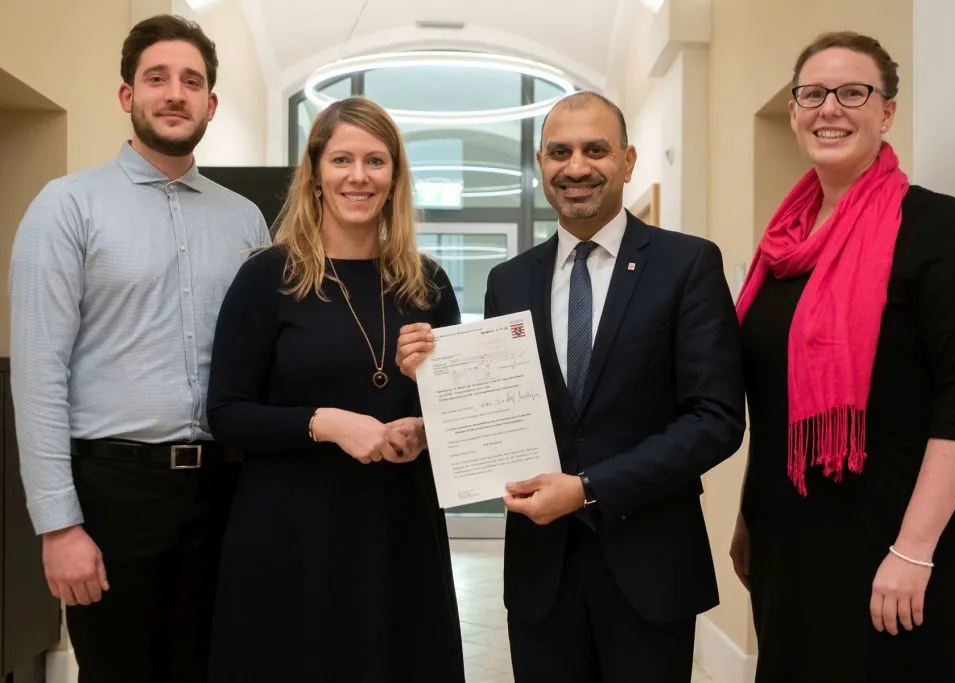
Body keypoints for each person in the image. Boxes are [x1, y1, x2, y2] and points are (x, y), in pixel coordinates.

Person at [396, 91, 746, 681]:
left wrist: (588, 488)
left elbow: (715, 419)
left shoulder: (686, 265)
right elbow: (505, 408)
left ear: (629, 161)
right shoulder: (509, 280)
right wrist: (433, 394)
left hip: (649, 566)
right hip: (541, 574)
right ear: (541, 164)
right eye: (560, 151)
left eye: (595, 150)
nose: (576, 166)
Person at [730, 31, 955, 683]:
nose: (831, 108)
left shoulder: (940, 230)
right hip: (792, 545)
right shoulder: (780, 249)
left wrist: (913, 550)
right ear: (795, 111)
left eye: (853, 92)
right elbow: (773, 400)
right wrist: (749, 511)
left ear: (886, 111)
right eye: (814, 93)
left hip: (900, 546)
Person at [8, 14, 269, 683]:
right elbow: (39, 375)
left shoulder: (244, 219)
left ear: (211, 103)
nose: (174, 93)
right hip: (113, 494)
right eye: (157, 78)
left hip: (225, 491)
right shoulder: (66, 207)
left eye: (191, 81)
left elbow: (269, 357)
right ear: (128, 95)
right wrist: (59, 526)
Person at [204, 96, 464, 683]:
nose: (358, 176)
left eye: (376, 161)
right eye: (342, 159)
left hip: (397, 531)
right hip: (291, 533)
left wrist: (423, 426)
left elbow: (456, 413)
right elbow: (225, 413)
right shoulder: (268, 277)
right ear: (316, 174)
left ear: (394, 177)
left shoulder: (428, 284)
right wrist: (324, 423)